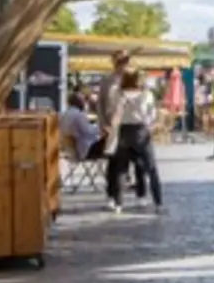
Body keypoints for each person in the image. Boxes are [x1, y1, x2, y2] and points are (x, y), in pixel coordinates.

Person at [105, 69, 163, 214]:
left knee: (120, 168)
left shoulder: (116, 93)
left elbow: (111, 111)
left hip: (123, 131)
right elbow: (151, 115)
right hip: (140, 131)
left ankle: (118, 203)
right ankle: (158, 202)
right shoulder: (146, 94)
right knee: (151, 168)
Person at [59, 94, 104, 162]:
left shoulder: (63, 115)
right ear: (80, 103)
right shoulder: (79, 115)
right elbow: (88, 132)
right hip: (84, 150)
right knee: (109, 145)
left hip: (70, 150)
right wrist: (99, 128)